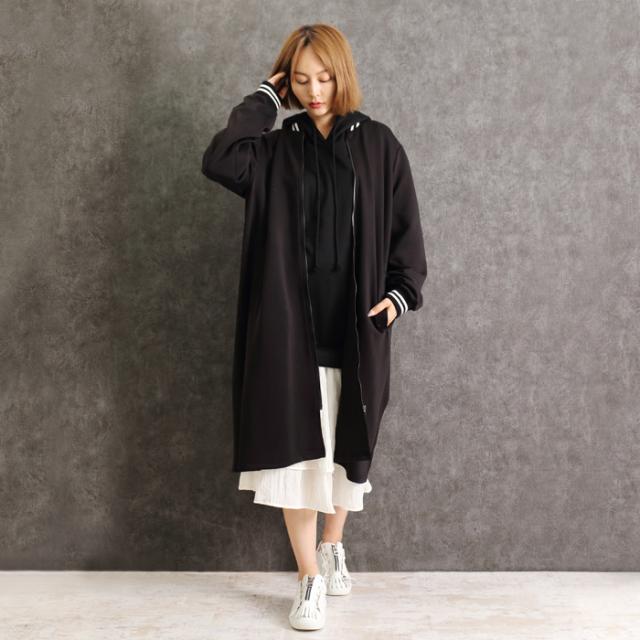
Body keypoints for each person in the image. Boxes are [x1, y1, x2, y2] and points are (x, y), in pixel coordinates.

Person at [201, 23, 427, 631]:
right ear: (288, 83)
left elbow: (406, 231)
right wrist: (265, 100)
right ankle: (308, 578)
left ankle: (332, 545)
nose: (315, 91)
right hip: (289, 333)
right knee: (296, 462)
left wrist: (398, 296)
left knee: (343, 452)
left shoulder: (379, 146)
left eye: (324, 77)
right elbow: (219, 160)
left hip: (355, 331)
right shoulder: (276, 150)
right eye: (300, 81)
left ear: (342, 74)